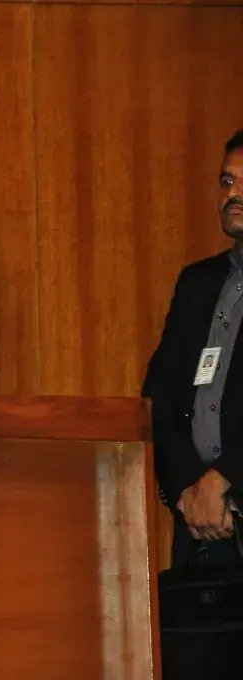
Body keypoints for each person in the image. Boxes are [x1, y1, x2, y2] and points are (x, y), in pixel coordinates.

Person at [143, 128, 243, 566]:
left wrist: (226, 481)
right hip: (199, 529)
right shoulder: (197, 283)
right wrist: (187, 490)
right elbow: (159, 395)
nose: (233, 193)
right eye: (227, 181)